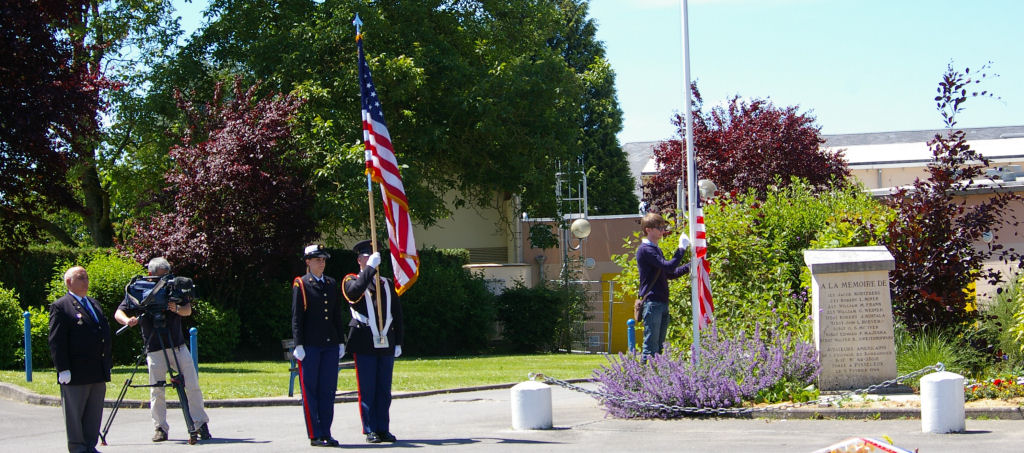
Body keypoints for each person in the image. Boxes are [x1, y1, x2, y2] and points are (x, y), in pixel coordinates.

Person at [114, 257, 211, 443]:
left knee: (192, 385)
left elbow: (187, 310)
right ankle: (160, 427)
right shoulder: (140, 288)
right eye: (161, 275)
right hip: (155, 347)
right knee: (157, 390)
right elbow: (119, 312)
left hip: (177, 344)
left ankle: (200, 424)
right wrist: (128, 320)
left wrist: (175, 308)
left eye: (167, 274)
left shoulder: (173, 286)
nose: (165, 279)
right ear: (151, 274)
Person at [342, 240, 404, 444]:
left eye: (373, 257)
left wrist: (399, 342)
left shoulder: (385, 283)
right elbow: (353, 293)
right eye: (366, 257)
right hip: (364, 341)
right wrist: (368, 269)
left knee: (384, 389)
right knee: (367, 388)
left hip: (386, 341)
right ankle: (370, 429)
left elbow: (397, 314)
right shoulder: (351, 280)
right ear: (359, 259)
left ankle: (383, 428)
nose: (370, 260)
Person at [49, 266, 112, 453]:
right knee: (75, 414)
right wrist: (63, 368)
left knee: (94, 412)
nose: (86, 281)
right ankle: (77, 448)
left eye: (86, 277)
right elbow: (57, 341)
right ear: (69, 282)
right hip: (76, 370)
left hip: (96, 368)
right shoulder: (61, 306)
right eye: (81, 277)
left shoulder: (93, 303)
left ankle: (89, 446)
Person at [291, 244, 347, 447]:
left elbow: (335, 316)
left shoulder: (331, 283)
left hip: (330, 345)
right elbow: (297, 318)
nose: (321, 263)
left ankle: (326, 431)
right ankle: (315, 434)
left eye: (323, 260)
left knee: (328, 390)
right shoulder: (302, 284)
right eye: (317, 260)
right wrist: (299, 344)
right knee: (311, 390)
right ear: (308, 262)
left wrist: (340, 340)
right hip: (311, 346)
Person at [636, 212, 690, 363]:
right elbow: (669, 267)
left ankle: (656, 381)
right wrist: (681, 248)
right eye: (659, 227)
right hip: (653, 303)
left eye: (663, 227)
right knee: (650, 347)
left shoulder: (655, 249)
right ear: (648, 229)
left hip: (661, 302)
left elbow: (668, 274)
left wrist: (690, 266)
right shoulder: (646, 250)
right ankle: (642, 381)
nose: (662, 230)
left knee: (659, 348)